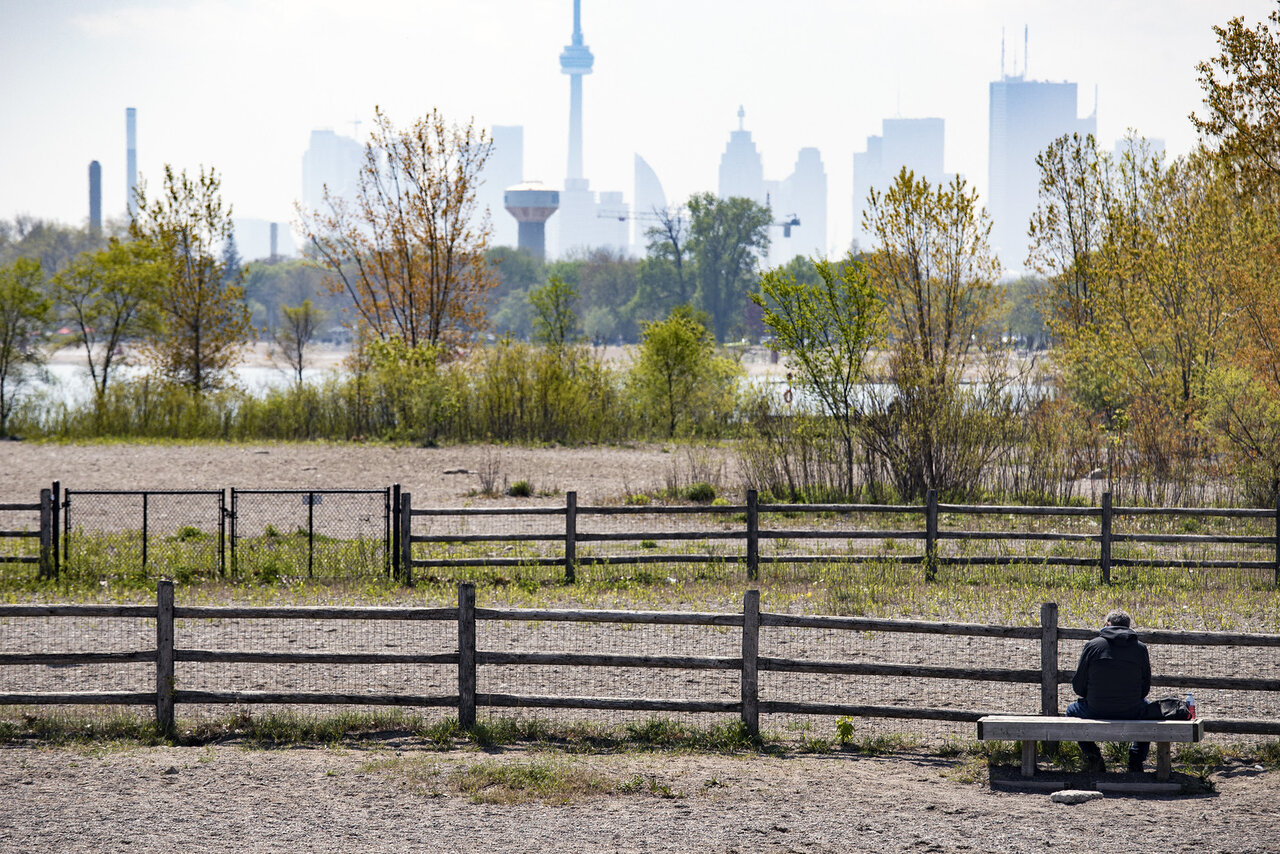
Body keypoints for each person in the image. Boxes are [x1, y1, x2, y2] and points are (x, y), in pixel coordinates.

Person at [1066, 609, 1152, 773]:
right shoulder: (1140, 648)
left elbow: (1078, 685)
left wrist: (1092, 697)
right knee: (1148, 711)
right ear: (1129, 626)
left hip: (1095, 709)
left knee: (1071, 711)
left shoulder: (1093, 646)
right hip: (1131, 710)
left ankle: (1094, 757)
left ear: (1107, 624)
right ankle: (1135, 759)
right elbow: (1145, 687)